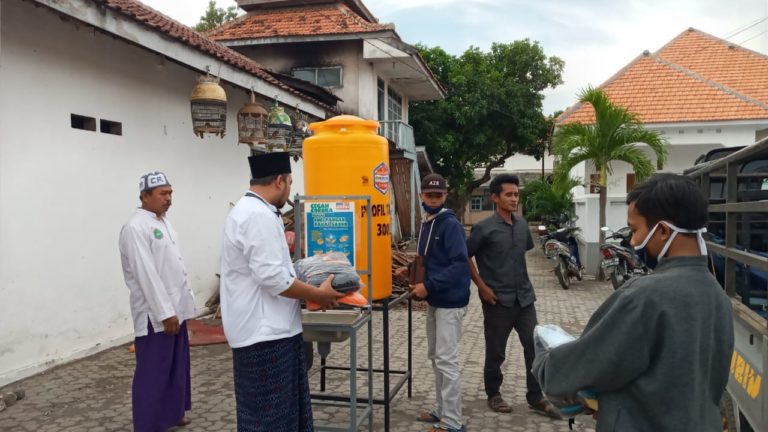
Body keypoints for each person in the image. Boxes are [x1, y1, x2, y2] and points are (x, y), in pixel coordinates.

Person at [532, 173, 734, 431]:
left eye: (636, 230)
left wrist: (544, 362)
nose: (633, 241)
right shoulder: (717, 294)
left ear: (663, 231)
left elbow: (580, 368)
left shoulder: (645, 296)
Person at [219, 152, 344, 432]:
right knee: (270, 418)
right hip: (264, 336)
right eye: (289, 182)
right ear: (279, 181)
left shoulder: (257, 212)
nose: (289, 190)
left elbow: (276, 270)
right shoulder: (256, 216)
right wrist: (318, 294)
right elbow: (274, 279)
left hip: (273, 331)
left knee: (285, 414)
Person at [466, 174, 560, 418]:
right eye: (509, 194)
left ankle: (536, 397)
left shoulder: (521, 226)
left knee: (535, 347)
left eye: (516, 194)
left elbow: (521, 256)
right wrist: (481, 286)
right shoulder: (483, 228)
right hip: (497, 300)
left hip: (525, 299)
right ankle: (493, 394)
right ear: (495, 198)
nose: (514, 199)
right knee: (496, 351)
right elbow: (464, 256)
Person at [119, 171, 196, 431]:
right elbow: (146, 274)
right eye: (162, 194)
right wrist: (165, 313)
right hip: (156, 315)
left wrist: (182, 307)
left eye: (170, 193)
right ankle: (148, 423)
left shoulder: (164, 223)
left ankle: (174, 413)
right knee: (153, 369)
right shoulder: (135, 227)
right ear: (144, 196)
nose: (168, 198)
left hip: (177, 309)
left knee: (176, 366)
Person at [397, 173, 470, 432]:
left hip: (450, 301)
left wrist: (427, 286)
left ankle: (453, 422)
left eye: (438, 196)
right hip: (436, 300)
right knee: (435, 357)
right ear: (421, 196)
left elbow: (460, 265)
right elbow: (429, 258)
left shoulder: (449, 224)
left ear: (445, 196)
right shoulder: (426, 223)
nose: (434, 199)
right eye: (429, 195)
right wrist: (409, 268)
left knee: (446, 360)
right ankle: (442, 410)